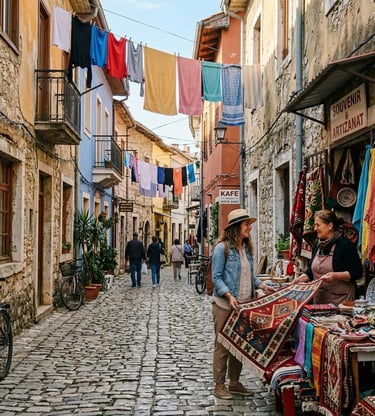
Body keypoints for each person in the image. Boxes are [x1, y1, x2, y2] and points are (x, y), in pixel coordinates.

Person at [211, 208, 275, 400]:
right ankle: (219, 385)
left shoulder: (246, 249)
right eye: (247, 224)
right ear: (236, 227)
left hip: (242, 306)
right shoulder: (222, 249)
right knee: (222, 346)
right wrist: (229, 296)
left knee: (238, 346)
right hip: (224, 305)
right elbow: (216, 278)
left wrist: (263, 285)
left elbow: (251, 276)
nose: (250, 227)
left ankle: (235, 382)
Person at [292, 209, 362, 306]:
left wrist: (335, 276)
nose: (315, 228)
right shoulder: (318, 244)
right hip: (320, 301)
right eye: (315, 225)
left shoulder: (345, 245)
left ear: (330, 226)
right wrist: (302, 278)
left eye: (318, 225)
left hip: (342, 302)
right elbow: (312, 271)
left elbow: (357, 272)